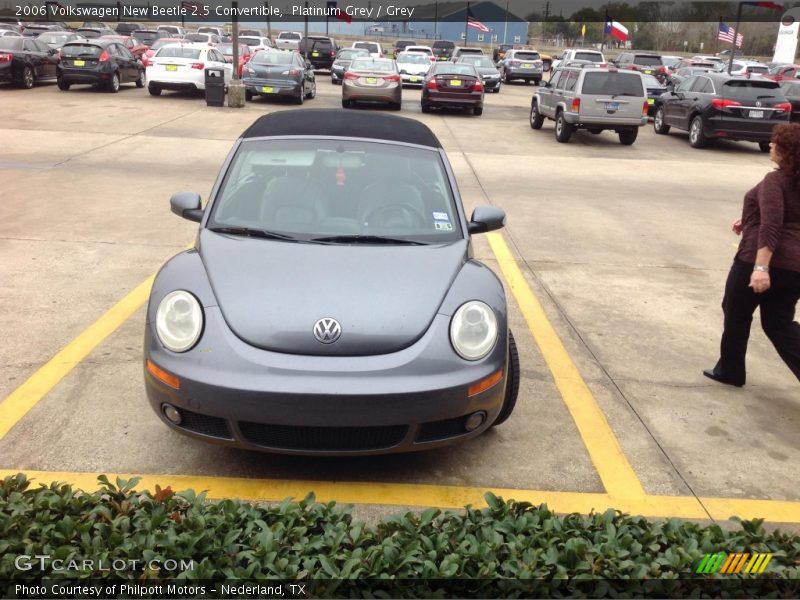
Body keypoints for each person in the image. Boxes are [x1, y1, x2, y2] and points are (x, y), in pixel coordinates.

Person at [705, 123, 800, 387]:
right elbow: (788, 216)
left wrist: (761, 269)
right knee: (779, 324)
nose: (770, 145)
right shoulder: (793, 179)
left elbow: (773, 224)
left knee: (735, 311)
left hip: (757, 261)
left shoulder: (775, 180)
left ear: (787, 150)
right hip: (795, 269)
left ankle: (731, 371)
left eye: (775, 142)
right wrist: (749, 219)